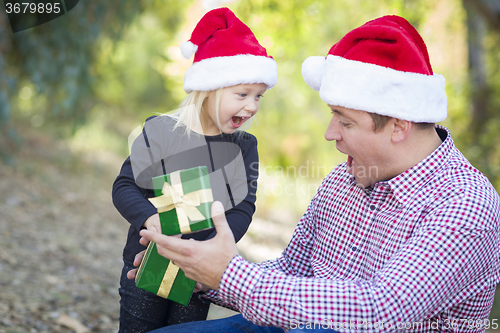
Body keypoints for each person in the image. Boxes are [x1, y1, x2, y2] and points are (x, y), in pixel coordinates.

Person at [130, 15, 500, 332]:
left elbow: (381, 309)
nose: (330, 133)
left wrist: (229, 275)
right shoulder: (345, 179)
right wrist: (199, 271)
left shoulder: (466, 204)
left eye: (345, 121)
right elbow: (293, 272)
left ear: (398, 127)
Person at [112, 7, 277, 333]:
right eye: (242, 94)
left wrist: (218, 241)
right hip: (149, 260)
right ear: (209, 89)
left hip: (198, 271)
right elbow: (125, 186)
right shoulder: (162, 132)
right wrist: (150, 218)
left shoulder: (244, 147)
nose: (252, 105)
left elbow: (244, 206)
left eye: (258, 96)